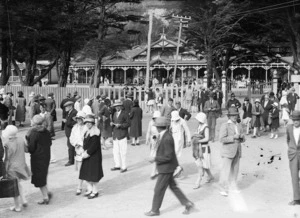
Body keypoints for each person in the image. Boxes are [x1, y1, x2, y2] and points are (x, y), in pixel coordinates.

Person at [145, 117, 194, 216]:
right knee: (173, 187)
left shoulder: (166, 138)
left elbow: (168, 156)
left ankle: (155, 210)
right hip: (168, 167)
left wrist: (155, 159)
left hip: (166, 168)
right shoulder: (165, 135)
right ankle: (187, 203)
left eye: (156, 127)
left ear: (159, 127)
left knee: (158, 189)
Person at [2, 125, 31, 212]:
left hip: (12, 167)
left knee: (14, 187)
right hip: (21, 165)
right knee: (18, 184)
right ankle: (24, 199)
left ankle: (17, 206)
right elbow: (26, 150)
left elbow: (6, 159)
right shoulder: (21, 139)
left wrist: (4, 171)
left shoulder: (7, 144)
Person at [26, 115, 52, 205]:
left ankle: (45, 197)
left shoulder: (34, 133)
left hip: (37, 158)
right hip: (46, 156)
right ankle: (47, 192)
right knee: (43, 175)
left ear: (34, 122)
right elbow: (50, 143)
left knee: (39, 177)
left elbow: (31, 148)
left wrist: (26, 143)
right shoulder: (46, 131)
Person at [219, 107, 245, 196]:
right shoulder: (225, 125)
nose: (234, 117)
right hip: (227, 151)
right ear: (229, 116)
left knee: (235, 170)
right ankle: (223, 188)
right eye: (232, 115)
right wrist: (233, 137)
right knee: (225, 171)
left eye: (236, 115)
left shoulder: (238, 125)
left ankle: (232, 187)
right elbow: (221, 139)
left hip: (237, 150)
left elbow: (243, 139)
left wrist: (242, 137)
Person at [79, 114, 103, 199]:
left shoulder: (95, 133)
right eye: (87, 122)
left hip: (94, 157)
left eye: (90, 122)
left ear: (93, 123)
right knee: (86, 174)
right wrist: (82, 150)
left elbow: (94, 146)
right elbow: (85, 143)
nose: (88, 124)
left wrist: (86, 153)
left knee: (93, 176)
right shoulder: (87, 131)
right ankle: (89, 189)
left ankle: (95, 191)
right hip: (87, 156)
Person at [192, 112, 214, 189]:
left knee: (201, 165)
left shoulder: (206, 127)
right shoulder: (199, 126)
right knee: (202, 165)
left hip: (204, 148)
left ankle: (198, 181)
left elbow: (207, 138)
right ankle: (210, 176)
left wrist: (198, 141)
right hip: (198, 148)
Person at [110, 100, 130, 173]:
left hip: (122, 134)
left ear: (121, 107)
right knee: (115, 151)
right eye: (116, 106)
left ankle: (124, 166)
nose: (117, 108)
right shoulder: (114, 114)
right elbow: (114, 122)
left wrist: (121, 125)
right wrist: (112, 124)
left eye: (118, 106)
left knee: (123, 151)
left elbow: (128, 123)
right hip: (115, 134)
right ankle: (117, 165)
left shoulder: (125, 113)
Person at [70, 111, 87, 195]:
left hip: (86, 151)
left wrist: (81, 143)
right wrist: (75, 143)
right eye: (77, 119)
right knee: (80, 170)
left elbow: (88, 139)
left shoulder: (87, 127)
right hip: (78, 151)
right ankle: (79, 187)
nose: (78, 121)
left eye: (80, 119)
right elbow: (71, 138)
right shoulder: (74, 128)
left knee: (88, 169)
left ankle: (89, 187)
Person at [170, 111, 191, 178]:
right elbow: (171, 129)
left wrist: (189, 140)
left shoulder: (182, 121)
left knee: (174, 154)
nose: (175, 121)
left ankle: (177, 168)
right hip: (173, 138)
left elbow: (187, 130)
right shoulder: (172, 121)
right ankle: (177, 168)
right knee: (172, 154)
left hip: (179, 139)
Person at [286, 110, 300, 205]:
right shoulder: (289, 128)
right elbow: (288, 139)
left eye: (298, 120)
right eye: (294, 120)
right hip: (293, 155)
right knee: (294, 177)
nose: (295, 122)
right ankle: (296, 199)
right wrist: (292, 149)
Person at [145, 111, 161, 179]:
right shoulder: (151, 122)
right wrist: (147, 139)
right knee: (153, 156)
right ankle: (156, 171)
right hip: (152, 141)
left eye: (157, 118)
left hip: (160, 141)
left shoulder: (162, 123)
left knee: (156, 156)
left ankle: (153, 172)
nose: (155, 119)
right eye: (155, 118)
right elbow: (148, 131)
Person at [64, 101, 78, 166]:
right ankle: (74, 157)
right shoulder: (69, 112)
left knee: (70, 146)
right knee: (70, 146)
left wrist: (66, 122)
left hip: (71, 132)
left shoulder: (74, 112)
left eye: (67, 106)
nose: (65, 108)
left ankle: (71, 160)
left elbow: (75, 122)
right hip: (68, 132)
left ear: (70, 106)